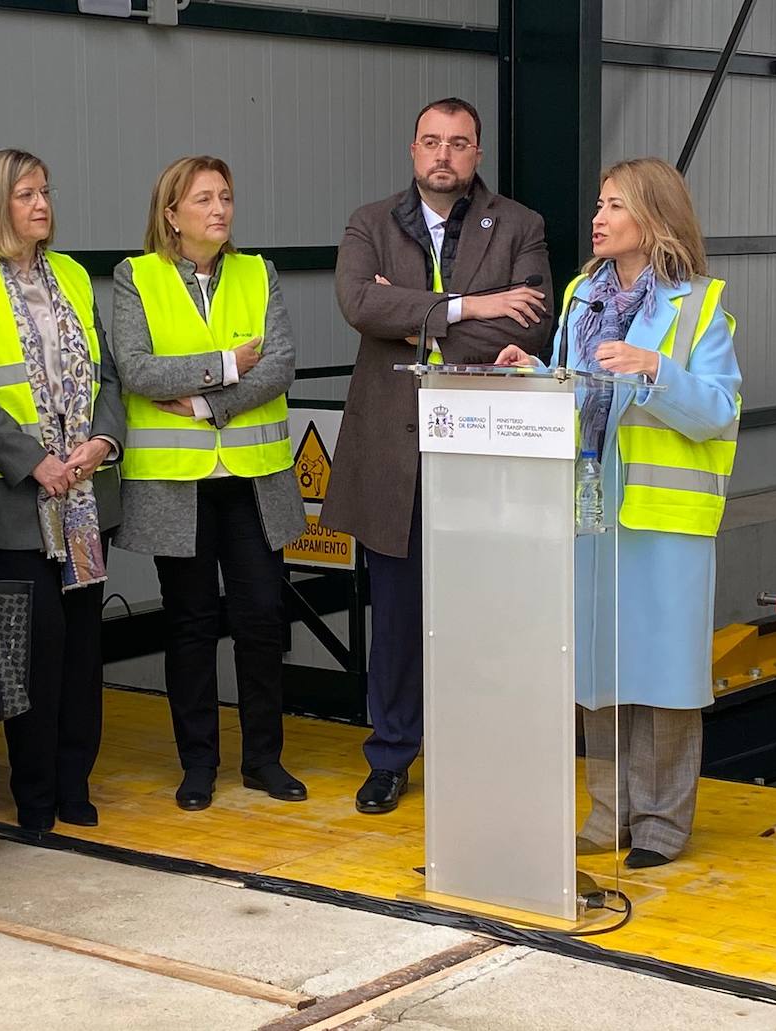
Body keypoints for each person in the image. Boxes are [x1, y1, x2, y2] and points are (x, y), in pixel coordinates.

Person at [496, 157, 741, 868]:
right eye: (598, 204)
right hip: (591, 512)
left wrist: (657, 370)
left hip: (665, 520)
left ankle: (662, 825)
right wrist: (533, 374)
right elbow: (578, 389)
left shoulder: (700, 305)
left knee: (662, 674)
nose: (597, 218)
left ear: (654, 219)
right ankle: (609, 816)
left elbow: (720, 411)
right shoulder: (580, 296)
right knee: (597, 665)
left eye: (613, 206)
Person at [321, 97, 553, 814]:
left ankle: (480, 751)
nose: (443, 154)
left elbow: (534, 323)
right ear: (412, 149)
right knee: (394, 615)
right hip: (393, 451)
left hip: (483, 452)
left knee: (486, 611)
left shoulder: (521, 224)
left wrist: (413, 314)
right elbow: (359, 305)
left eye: (458, 143)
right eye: (431, 141)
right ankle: (390, 755)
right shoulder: (369, 221)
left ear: (477, 154)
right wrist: (472, 306)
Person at [0, 149, 125, 832]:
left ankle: (75, 781)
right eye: (25, 194)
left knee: (81, 648)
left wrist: (103, 442)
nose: (41, 204)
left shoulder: (70, 273)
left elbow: (108, 373)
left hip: (81, 496)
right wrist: (31, 460)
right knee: (35, 650)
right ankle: (36, 793)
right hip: (18, 501)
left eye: (45, 191)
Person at [111, 155, 306, 812]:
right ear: (171, 214)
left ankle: (264, 760)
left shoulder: (258, 272)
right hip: (177, 485)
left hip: (250, 478)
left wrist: (205, 404)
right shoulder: (135, 276)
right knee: (191, 626)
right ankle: (198, 765)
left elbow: (278, 366)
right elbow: (138, 370)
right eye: (203, 199)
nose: (219, 209)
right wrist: (226, 364)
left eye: (226, 196)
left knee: (260, 619)